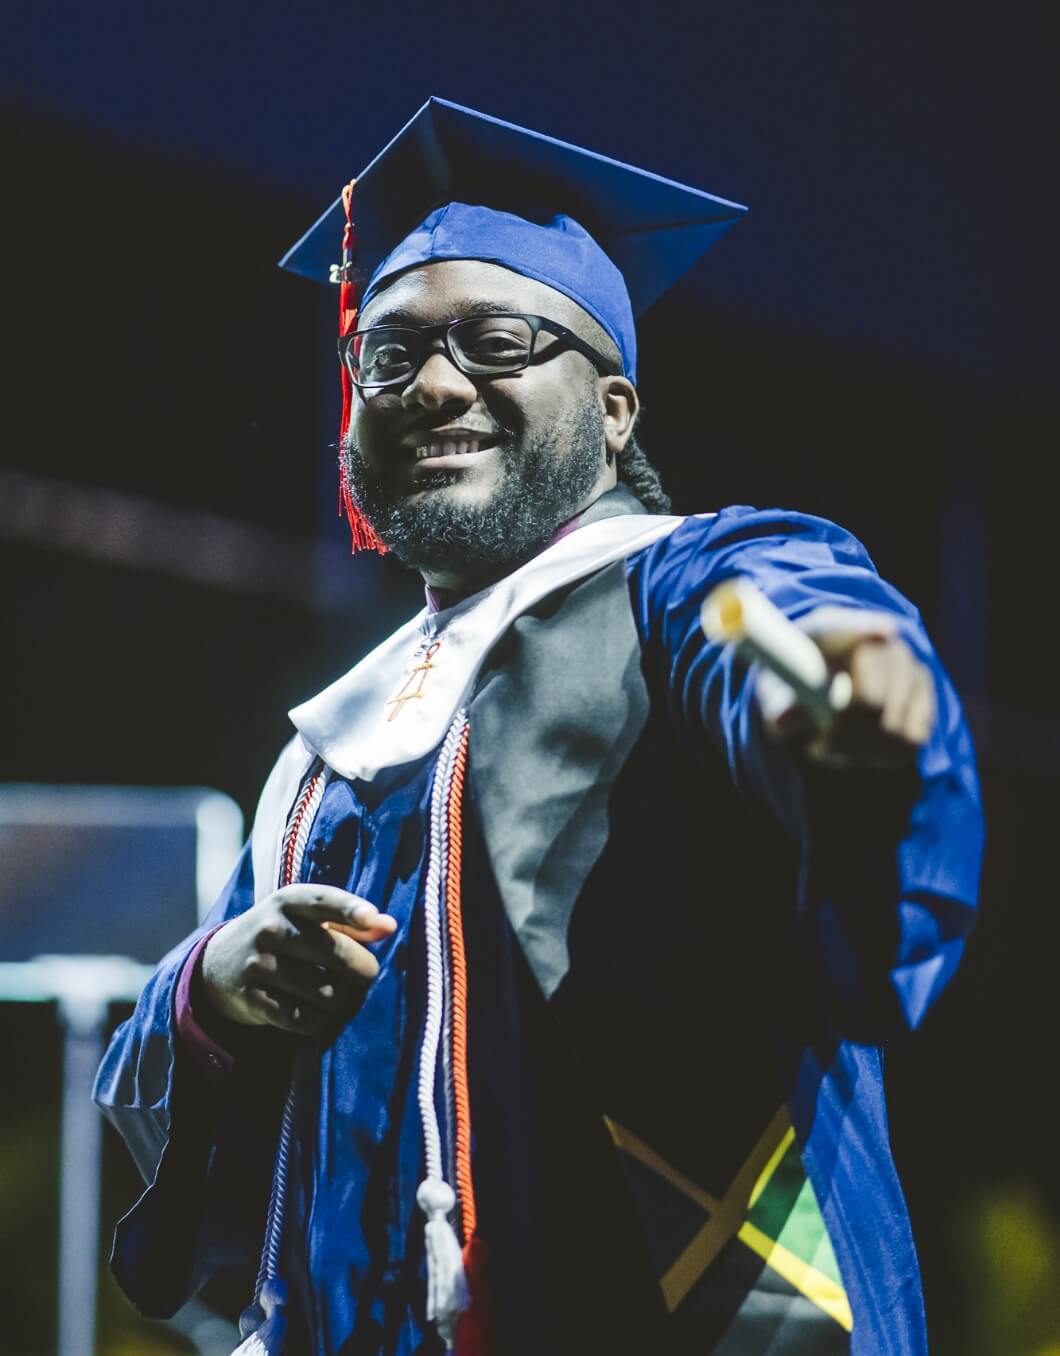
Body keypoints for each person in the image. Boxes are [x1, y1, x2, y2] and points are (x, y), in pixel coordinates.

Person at [95, 99, 983, 1356]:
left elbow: (793, 620)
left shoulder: (672, 591)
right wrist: (215, 992)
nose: (435, 382)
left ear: (616, 411)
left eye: (498, 340)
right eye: (387, 356)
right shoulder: (328, 754)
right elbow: (171, 1124)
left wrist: (841, 694)